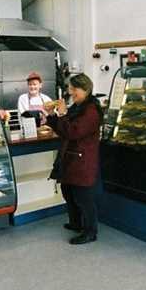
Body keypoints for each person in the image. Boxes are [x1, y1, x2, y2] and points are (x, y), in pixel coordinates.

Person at [46, 73, 102, 245]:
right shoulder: (77, 107)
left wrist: (62, 115)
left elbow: (73, 132)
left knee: (83, 198)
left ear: (85, 89)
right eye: (70, 88)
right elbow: (64, 129)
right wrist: (52, 116)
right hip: (71, 159)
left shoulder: (91, 110)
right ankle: (76, 223)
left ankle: (90, 231)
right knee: (68, 192)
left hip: (83, 161)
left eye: (74, 89)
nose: (71, 92)